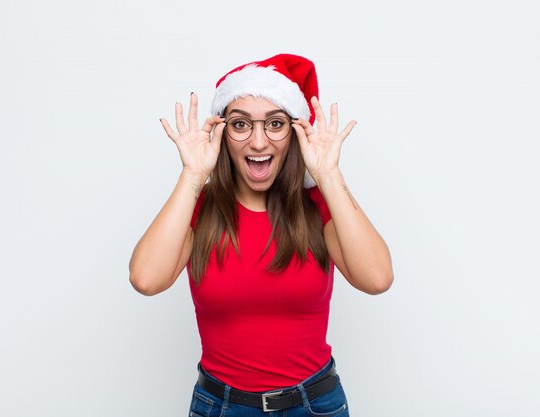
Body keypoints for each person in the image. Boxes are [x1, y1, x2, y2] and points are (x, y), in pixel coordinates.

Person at [129, 53, 394, 416]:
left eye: (274, 124)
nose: (257, 142)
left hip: (315, 405)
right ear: (223, 133)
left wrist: (329, 175)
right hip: (221, 406)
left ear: (294, 132)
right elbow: (145, 279)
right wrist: (192, 176)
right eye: (240, 125)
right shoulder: (199, 206)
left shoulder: (318, 204)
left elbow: (377, 279)